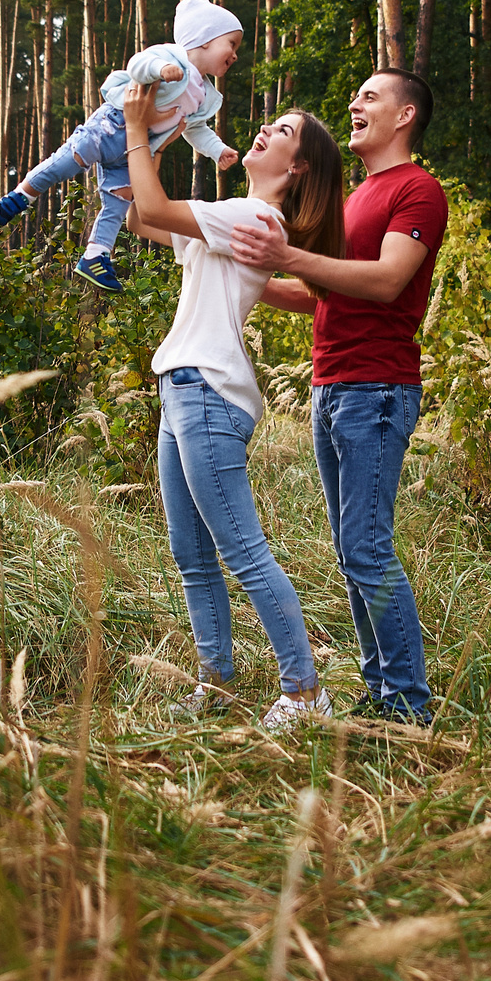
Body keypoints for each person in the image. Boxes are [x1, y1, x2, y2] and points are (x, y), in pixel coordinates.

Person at [115, 76, 347, 730]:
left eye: (285, 130)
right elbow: (141, 218)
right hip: (181, 387)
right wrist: (159, 133)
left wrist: (135, 129)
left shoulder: (253, 217)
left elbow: (153, 206)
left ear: (298, 167)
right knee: (191, 552)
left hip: (209, 392)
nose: (266, 129)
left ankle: (305, 692)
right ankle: (216, 681)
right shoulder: (233, 215)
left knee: (242, 550)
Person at [230, 68, 445, 724]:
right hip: (331, 387)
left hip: (376, 387)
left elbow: (385, 280)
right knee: (355, 554)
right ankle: (382, 692)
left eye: (370, 96)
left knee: (367, 549)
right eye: (355, 95)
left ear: (405, 116)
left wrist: (287, 256)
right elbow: (323, 291)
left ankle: (408, 706)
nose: (354, 103)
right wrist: (246, 271)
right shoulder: (356, 198)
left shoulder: (417, 189)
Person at [0, 0, 244, 292]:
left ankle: (95, 256)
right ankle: (21, 196)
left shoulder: (205, 95)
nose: (235, 55)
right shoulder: (172, 58)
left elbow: (195, 129)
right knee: (67, 161)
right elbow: (138, 64)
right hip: (111, 126)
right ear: (205, 39)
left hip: (136, 150)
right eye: (232, 44)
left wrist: (218, 150)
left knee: (118, 202)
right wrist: (160, 69)